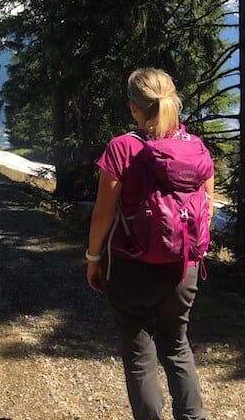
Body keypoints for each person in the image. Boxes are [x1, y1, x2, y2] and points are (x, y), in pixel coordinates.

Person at [85, 67, 214, 420]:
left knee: (140, 355)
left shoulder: (122, 148)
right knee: (177, 347)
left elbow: (102, 215)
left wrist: (93, 258)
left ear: (134, 108)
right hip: (182, 269)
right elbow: (207, 210)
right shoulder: (196, 149)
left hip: (130, 268)